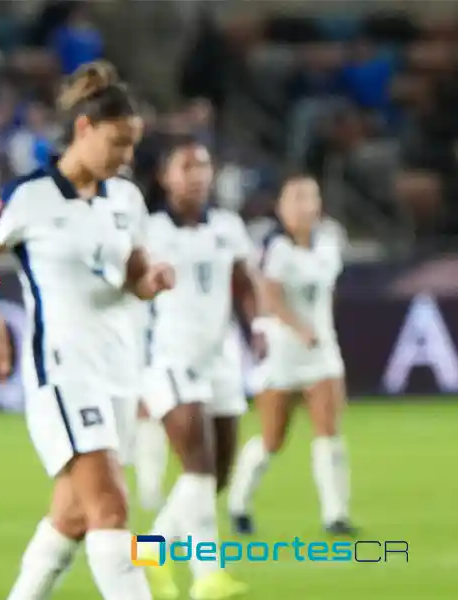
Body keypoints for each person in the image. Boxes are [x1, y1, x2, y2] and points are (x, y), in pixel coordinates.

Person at [0, 60, 174, 600]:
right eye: (118, 142)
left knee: (71, 515)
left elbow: (134, 275)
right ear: (85, 129)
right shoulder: (29, 195)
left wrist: (151, 279)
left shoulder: (126, 199)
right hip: (64, 371)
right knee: (112, 508)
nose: (126, 157)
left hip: (118, 367)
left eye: (132, 145)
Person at [136, 137, 261, 600]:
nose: (196, 175)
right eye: (185, 167)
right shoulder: (148, 229)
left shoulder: (228, 226)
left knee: (215, 477)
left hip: (222, 358)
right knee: (200, 467)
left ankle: (148, 557)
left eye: (203, 166)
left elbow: (244, 281)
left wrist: (260, 324)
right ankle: (208, 577)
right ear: (166, 177)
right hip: (170, 358)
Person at [227, 175, 355, 537]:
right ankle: (239, 503)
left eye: (310, 197)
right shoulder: (275, 246)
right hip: (284, 350)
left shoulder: (329, 241)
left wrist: (320, 330)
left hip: (322, 349)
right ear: (282, 207)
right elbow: (270, 296)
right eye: (296, 199)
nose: (304, 206)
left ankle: (336, 515)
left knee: (329, 430)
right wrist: (300, 329)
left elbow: (325, 292)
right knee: (272, 438)